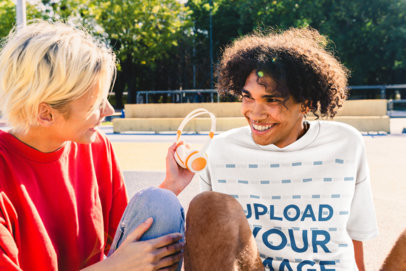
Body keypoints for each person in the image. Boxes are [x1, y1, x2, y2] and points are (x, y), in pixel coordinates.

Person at [175, 28, 379, 270]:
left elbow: (356, 233)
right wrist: (171, 187)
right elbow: (211, 245)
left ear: (306, 103)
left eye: (271, 100)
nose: (255, 113)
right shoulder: (220, 151)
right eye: (248, 97)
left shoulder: (346, 143)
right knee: (206, 206)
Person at [0, 20, 189, 270]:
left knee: (161, 202)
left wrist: (170, 187)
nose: (109, 111)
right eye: (95, 104)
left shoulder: (96, 146)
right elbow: (117, 262)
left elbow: (123, 238)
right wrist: (111, 267)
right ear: (45, 113)